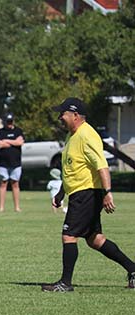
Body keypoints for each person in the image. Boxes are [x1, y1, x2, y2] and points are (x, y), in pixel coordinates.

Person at [41, 97, 135, 292]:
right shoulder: (72, 136)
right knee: (95, 239)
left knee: (69, 235)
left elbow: (102, 165)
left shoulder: (87, 135)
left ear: (75, 115)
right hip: (80, 192)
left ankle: (65, 283)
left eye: (63, 114)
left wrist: (107, 192)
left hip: (87, 193)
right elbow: (72, 169)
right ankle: (133, 269)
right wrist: (61, 193)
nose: (60, 117)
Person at [0, 113, 24, 212]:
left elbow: (20, 142)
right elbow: (0, 144)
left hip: (16, 163)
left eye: (10, 122)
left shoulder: (18, 131)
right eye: (7, 122)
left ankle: (17, 207)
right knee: (3, 184)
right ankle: (1, 207)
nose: (9, 124)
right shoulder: (0, 132)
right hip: (3, 163)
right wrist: (14, 142)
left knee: (15, 184)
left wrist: (7, 141)